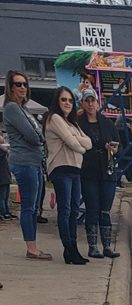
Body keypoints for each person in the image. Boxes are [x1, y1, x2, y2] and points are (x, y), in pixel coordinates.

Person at [4, 70, 51, 259]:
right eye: (18, 84)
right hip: (24, 162)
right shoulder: (12, 108)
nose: (22, 87)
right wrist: (38, 136)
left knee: (35, 206)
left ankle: (33, 245)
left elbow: (38, 133)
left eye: (24, 84)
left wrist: (38, 135)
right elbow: (33, 135)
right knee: (28, 206)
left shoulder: (24, 109)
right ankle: (31, 247)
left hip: (34, 161)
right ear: (10, 87)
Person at [44, 87, 92, 265]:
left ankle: (73, 249)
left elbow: (88, 142)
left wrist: (76, 141)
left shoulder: (72, 123)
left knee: (73, 210)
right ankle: (69, 248)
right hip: (61, 168)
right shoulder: (54, 118)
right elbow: (76, 144)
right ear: (57, 101)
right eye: (64, 100)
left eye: (70, 100)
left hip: (74, 169)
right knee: (65, 210)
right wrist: (77, 144)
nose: (67, 103)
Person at [78, 87, 121, 259]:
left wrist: (113, 148)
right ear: (82, 103)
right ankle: (92, 246)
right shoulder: (79, 123)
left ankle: (107, 246)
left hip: (107, 170)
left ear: (97, 102)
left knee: (105, 209)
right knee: (92, 208)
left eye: (92, 100)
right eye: (87, 101)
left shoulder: (107, 123)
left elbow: (118, 143)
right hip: (88, 171)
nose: (90, 104)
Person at [0, 130, 13, 221]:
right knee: (2, 196)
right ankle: (3, 212)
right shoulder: (2, 152)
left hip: (6, 176)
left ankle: (7, 211)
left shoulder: (4, 151)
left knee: (6, 195)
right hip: (3, 177)